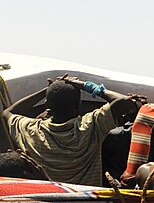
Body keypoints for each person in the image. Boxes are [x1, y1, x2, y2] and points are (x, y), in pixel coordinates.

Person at [2, 75, 141, 186]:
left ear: (47, 105)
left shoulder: (30, 130)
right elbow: (124, 101)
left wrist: (46, 91)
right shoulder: (90, 126)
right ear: (78, 106)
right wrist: (85, 85)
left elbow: (8, 113)